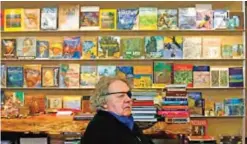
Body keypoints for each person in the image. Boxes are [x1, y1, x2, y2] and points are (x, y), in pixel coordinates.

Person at [83, 76, 154, 144]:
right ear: (104, 102)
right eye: (121, 96)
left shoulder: (126, 122)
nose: (129, 99)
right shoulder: (101, 128)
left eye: (129, 94)